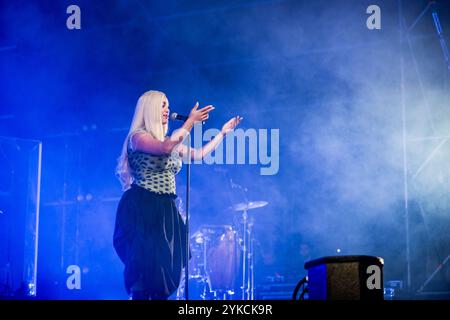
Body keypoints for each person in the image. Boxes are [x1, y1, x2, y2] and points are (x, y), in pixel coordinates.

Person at [113, 90, 242, 300]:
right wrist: (190, 121)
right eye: (162, 106)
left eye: (168, 105)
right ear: (150, 109)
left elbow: (198, 154)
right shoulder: (138, 138)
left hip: (165, 209)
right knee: (145, 270)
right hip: (144, 207)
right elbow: (165, 148)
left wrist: (223, 133)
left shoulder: (168, 140)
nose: (167, 110)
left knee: (165, 270)